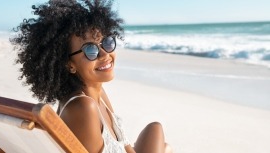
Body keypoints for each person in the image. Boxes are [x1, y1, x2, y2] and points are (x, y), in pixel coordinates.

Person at [11, 0, 172, 152]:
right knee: (163, 143)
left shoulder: (97, 93)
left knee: (156, 131)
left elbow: (125, 145)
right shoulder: (83, 107)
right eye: (90, 50)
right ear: (69, 64)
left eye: (107, 43)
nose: (104, 54)